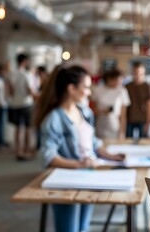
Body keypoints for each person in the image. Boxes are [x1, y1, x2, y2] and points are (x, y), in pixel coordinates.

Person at [34, 64, 125, 232]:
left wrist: (111, 156)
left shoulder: (84, 111)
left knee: (83, 228)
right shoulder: (54, 118)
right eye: (87, 87)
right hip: (67, 183)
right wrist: (80, 164)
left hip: (87, 177)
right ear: (72, 88)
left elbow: (92, 142)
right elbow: (48, 156)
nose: (89, 92)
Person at [7, 53, 38, 160]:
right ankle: (26, 150)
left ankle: (18, 151)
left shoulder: (11, 74)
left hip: (15, 104)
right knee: (28, 128)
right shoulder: (26, 74)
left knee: (18, 129)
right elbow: (30, 91)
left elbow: (10, 91)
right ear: (24, 61)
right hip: (26, 104)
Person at [92, 68, 131, 140]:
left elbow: (123, 115)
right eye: (117, 80)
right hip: (101, 125)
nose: (119, 83)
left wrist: (122, 132)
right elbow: (93, 110)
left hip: (115, 126)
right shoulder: (98, 90)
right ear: (109, 79)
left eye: (121, 81)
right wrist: (103, 111)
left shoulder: (122, 91)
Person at [125, 62, 150, 139]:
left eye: (140, 74)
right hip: (129, 120)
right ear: (132, 72)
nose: (137, 76)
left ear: (144, 73)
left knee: (143, 143)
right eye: (135, 73)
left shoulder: (148, 87)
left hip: (143, 120)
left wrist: (148, 123)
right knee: (128, 142)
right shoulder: (127, 87)